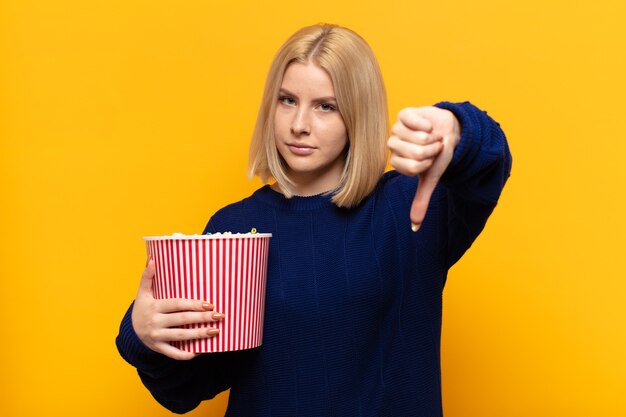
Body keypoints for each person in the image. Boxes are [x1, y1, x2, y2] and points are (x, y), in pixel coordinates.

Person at [117, 23, 512, 416]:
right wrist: (143, 333)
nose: (299, 124)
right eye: (287, 100)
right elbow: (187, 390)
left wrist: (456, 129)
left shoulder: (409, 206)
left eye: (326, 106)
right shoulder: (234, 227)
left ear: (358, 114)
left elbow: (490, 160)